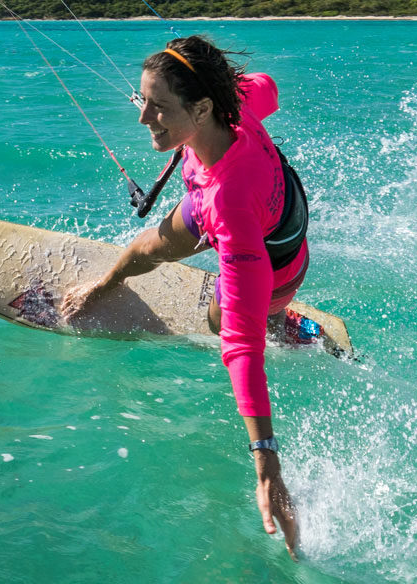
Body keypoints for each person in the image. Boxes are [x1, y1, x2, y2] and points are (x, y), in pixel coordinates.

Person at [60, 34, 307, 560]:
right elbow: (266, 87)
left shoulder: (231, 205)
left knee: (228, 321)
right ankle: (108, 282)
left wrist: (267, 466)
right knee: (149, 246)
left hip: (274, 260)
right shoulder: (234, 107)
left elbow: (240, 346)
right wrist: (206, 89)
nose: (143, 117)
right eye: (141, 99)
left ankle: (285, 321)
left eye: (158, 106)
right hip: (234, 205)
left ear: (201, 107)